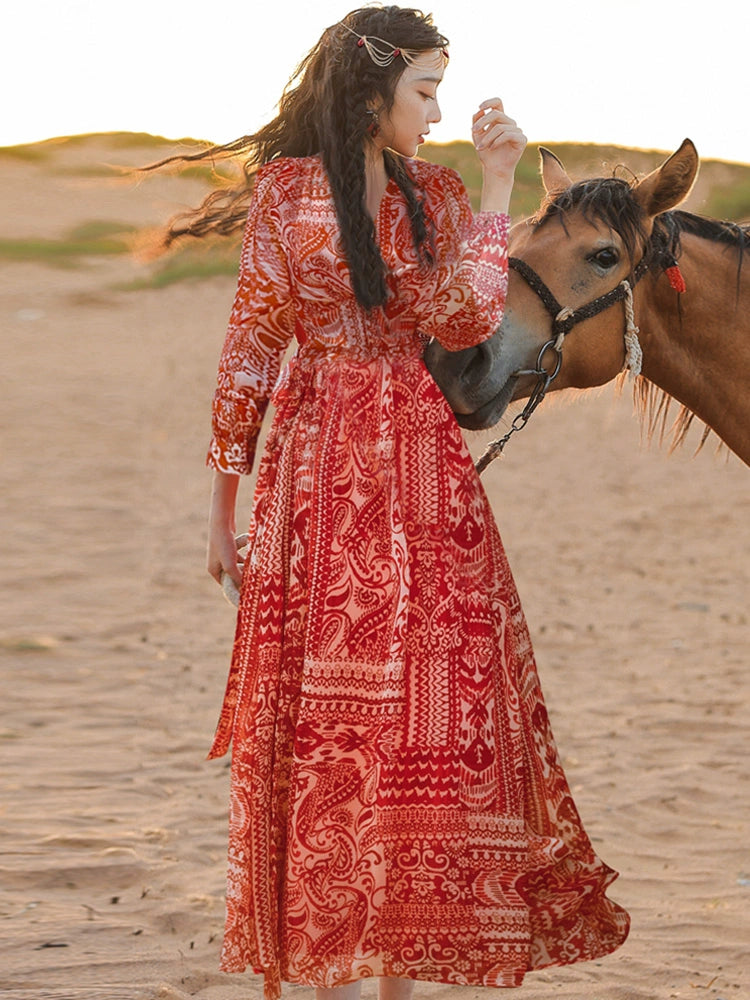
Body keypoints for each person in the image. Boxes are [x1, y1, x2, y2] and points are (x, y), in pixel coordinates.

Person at [162, 6, 629, 999]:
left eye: (441, 89)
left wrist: (499, 185)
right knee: (330, 721)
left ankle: (397, 976)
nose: (438, 109)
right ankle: (331, 970)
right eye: (425, 90)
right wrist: (220, 509)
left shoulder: (442, 194)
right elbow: (251, 344)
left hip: (421, 477)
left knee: (421, 717)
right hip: (317, 468)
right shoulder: (288, 195)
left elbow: (462, 317)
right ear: (372, 93)